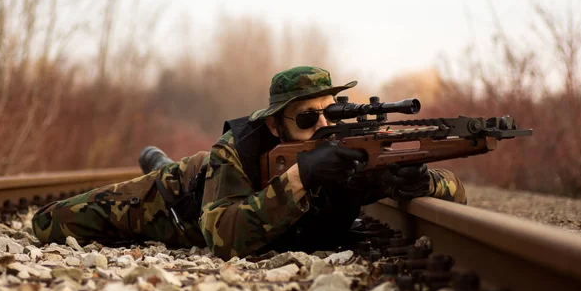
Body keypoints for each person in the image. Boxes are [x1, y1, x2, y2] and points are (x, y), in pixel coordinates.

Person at [32, 66, 467, 259]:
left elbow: (458, 193)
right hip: (180, 199)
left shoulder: (355, 150)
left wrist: (424, 181)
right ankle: (156, 164)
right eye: (305, 117)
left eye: (328, 112)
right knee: (50, 224)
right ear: (276, 127)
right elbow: (222, 239)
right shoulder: (236, 150)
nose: (320, 125)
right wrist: (302, 177)